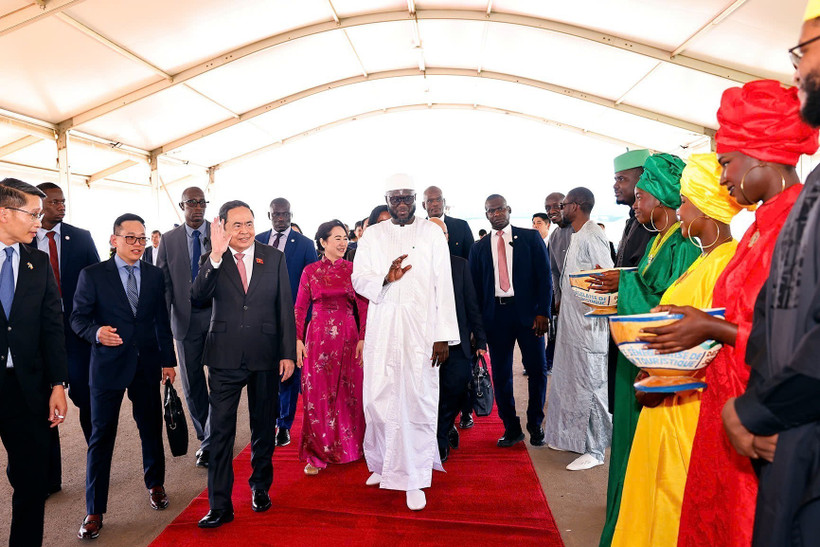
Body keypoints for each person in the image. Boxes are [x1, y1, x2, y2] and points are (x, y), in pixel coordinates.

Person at [658, 80, 820, 547]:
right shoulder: (757, 228)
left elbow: (799, 341)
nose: (724, 178)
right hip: (725, 408)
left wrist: (709, 326)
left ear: (761, 154)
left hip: (767, 415)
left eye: (727, 163)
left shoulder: (797, 227)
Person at [718, 10, 820, 545]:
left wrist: (755, 408)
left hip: (786, 419)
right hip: (765, 416)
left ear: (759, 156)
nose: (800, 69)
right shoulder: (771, 218)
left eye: (726, 162)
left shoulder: (800, 212)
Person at [610, 154, 742, 546]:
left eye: (684, 202)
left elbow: (714, 341)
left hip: (687, 407)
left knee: (674, 500)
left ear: (705, 206)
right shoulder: (704, 257)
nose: (679, 210)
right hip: (667, 396)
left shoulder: (724, 261)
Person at [596, 153, 700, 546]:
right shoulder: (660, 239)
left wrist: (623, 288)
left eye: (640, 196)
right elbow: (645, 287)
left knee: (643, 447)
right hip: (634, 353)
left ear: (659, 197)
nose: (635, 204)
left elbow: (667, 305)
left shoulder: (683, 246)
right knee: (626, 443)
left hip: (654, 359)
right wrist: (618, 286)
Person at [351, 174, 459, 512]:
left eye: (406, 198)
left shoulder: (430, 233)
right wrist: (386, 276)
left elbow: (444, 284)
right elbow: (358, 277)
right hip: (383, 328)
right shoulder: (373, 234)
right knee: (378, 400)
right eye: (395, 198)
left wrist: (443, 334)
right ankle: (382, 464)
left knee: (416, 401)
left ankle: (414, 477)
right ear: (386, 199)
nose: (401, 203)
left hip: (421, 330)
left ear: (416, 200)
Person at [72, 213, 176, 540]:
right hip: (107, 367)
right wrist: (96, 332)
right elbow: (77, 318)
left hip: (146, 365)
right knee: (101, 437)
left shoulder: (155, 275)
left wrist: (168, 361)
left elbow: (161, 321)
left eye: (142, 238)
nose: (137, 244)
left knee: (151, 427)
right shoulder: (93, 275)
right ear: (114, 240)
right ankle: (94, 510)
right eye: (130, 238)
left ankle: (155, 484)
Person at [194, 200, 296, 528]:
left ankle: (260, 487)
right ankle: (220, 505)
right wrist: (214, 256)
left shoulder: (275, 257)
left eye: (249, 223)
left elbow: (284, 308)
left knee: (263, 428)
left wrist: (287, 353)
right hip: (224, 358)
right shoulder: (215, 257)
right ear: (223, 227)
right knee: (221, 433)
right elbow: (197, 296)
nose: (245, 230)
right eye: (236, 225)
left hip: (266, 356)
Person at [0, 178, 67, 547]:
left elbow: (51, 325)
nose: (38, 223)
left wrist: (58, 383)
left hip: (27, 387)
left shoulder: (37, 262)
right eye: (33, 214)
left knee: (30, 480)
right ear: (4, 213)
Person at [32, 182, 99, 496]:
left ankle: (96, 461)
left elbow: (100, 280)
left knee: (86, 398)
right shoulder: (25, 239)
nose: (62, 207)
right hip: (39, 335)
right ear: (41, 205)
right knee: (44, 403)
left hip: (78, 333)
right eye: (56, 202)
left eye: (63, 201)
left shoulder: (81, 237)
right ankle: (49, 479)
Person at [469, 194, 551, 448]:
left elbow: (545, 278)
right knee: (502, 374)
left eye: (500, 209)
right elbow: (474, 292)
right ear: (486, 215)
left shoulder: (530, 238)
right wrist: (478, 328)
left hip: (529, 316)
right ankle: (511, 427)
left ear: (509, 210)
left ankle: (535, 424)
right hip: (496, 317)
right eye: (491, 211)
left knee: (537, 370)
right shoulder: (479, 247)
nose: (496, 214)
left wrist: (543, 313)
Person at [544, 187, 613, 470]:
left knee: (593, 386)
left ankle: (596, 450)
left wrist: (590, 311)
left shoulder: (593, 234)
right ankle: (576, 439)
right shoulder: (576, 234)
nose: (561, 208)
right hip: (573, 326)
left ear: (578, 205)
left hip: (589, 327)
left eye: (564, 204)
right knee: (572, 383)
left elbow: (607, 277)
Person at [295, 220, 368, 476]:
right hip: (317, 339)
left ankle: (351, 447)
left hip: (348, 338)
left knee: (350, 392)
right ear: (323, 242)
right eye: (336, 238)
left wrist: (362, 337)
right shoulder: (310, 271)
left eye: (345, 237)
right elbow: (300, 307)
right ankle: (316, 454)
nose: (342, 242)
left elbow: (363, 306)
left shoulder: (354, 269)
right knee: (318, 397)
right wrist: (297, 339)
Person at [156, 187, 213, 468]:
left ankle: (217, 436)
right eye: (192, 202)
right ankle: (206, 438)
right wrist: (163, 329)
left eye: (202, 202)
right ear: (182, 205)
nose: (197, 207)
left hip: (218, 320)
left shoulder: (220, 233)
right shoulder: (168, 240)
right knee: (192, 385)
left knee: (222, 381)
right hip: (185, 322)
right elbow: (163, 286)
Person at [255, 197, 318, 447]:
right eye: (276, 214)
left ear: (291, 215)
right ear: (268, 215)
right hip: (260, 319)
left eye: (285, 214)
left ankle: (284, 425)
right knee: (263, 373)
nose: (281, 218)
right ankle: (266, 420)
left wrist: (306, 325)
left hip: (292, 319)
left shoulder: (304, 244)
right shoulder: (257, 239)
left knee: (289, 374)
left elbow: (312, 285)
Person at [429, 217, 487, 461]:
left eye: (441, 233)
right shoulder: (415, 267)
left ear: (447, 238)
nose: (437, 238)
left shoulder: (461, 265)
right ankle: (439, 439)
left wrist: (481, 341)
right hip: (425, 346)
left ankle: (443, 430)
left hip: (458, 343)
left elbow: (472, 305)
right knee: (431, 395)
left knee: (454, 390)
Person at [602, 150, 654, 417]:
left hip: (642, 335)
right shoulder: (632, 222)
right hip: (622, 326)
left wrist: (620, 280)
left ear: (642, 179)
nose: (615, 185)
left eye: (621, 179)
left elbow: (653, 285)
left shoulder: (655, 228)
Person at [422, 186, 475, 259]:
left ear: (444, 202)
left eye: (438, 199)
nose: (435, 204)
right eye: (430, 201)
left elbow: (471, 258)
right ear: (423, 205)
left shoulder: (462, 226)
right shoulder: (418, 229)